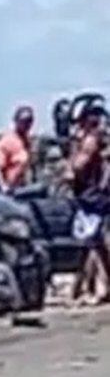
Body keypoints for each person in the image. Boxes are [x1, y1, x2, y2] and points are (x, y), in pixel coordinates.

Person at [66, 97, 110, 305]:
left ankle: (85, 289)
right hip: (93, 195)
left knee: (91, 241)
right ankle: (85, 288)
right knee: (95, 243)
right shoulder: (99, 139)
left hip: (92, 196)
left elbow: (77, 168)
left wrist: (74, 145)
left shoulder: (90, 140)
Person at [0, 106, 36, 194]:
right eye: (24, 120)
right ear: (16, 120)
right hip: (10, 191)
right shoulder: (6, 141)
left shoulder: (27, 142)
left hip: (24, 190)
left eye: (30, 120)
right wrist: (3, 186)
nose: (27, 124)